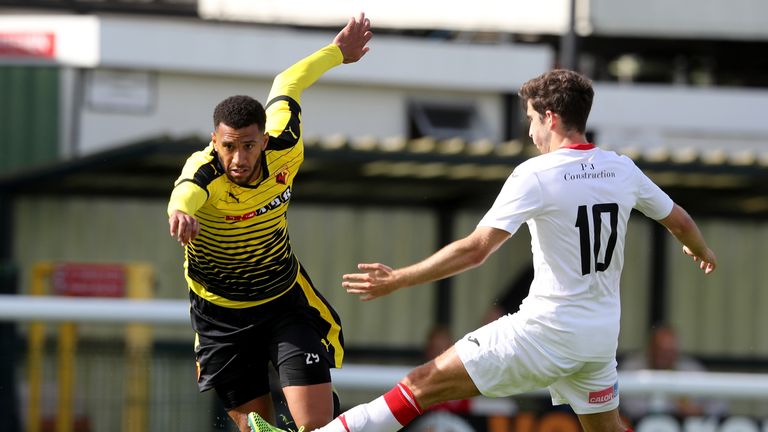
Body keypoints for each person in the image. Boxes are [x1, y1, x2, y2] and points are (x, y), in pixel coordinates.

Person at [250, 68, 717, 432]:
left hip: (543, 333)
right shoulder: (620, 169)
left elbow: (475, 250)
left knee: (420, 385)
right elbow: (680, 219)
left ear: (551, 118)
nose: (531, 131)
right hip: (597, 340)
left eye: (532, 120)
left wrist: (400, 278)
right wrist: (700, 251)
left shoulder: (537, 174)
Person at [166, 13, 372, 432]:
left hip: (282, 302)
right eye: (228, 147)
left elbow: (287, 82)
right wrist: (180, 212)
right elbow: (184, 192)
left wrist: (338, 54)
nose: (238, 159)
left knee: (315, 423)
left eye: (248, 146)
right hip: (220, 315)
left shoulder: (286, 144)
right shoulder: (203, 170)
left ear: (264, 139)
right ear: (214, 142)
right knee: (256, 427)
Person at [619, 324, 728, 420]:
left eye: (670, 351)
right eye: (660, 350)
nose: (665, 356)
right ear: (650, 348)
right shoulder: (632, 367)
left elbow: (720, 402)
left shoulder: (690, 369)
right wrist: (676, 407)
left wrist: (700, 411)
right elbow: (631, 407)